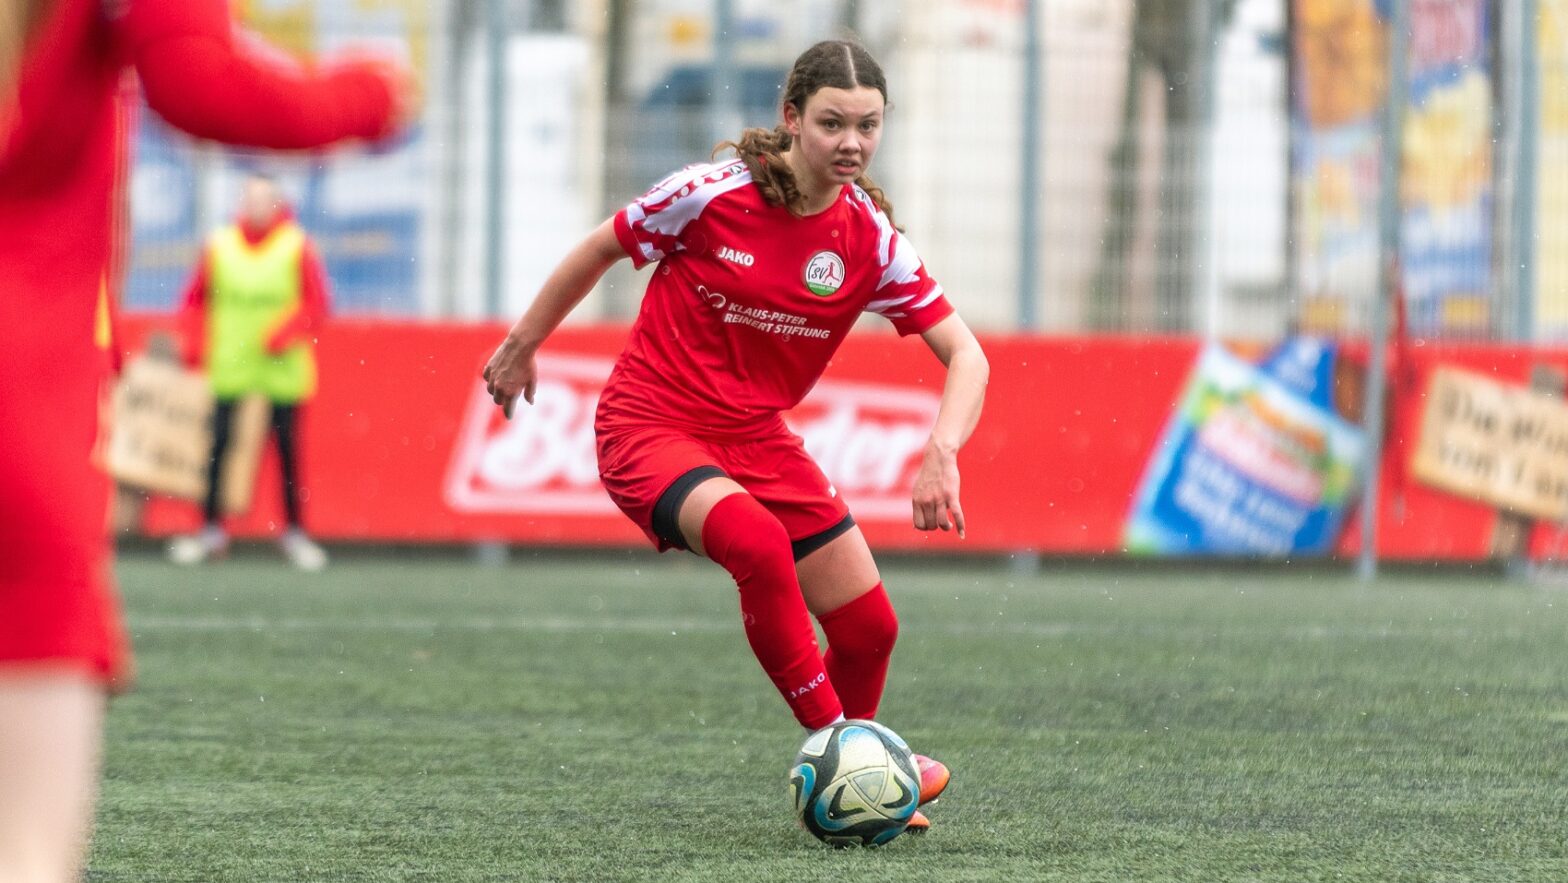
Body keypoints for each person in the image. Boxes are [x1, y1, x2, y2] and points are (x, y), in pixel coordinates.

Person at [482, 39, 989, 832]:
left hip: (755, 437)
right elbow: (601, 247)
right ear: (791, 118)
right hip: (649, 426)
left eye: (868, 125)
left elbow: (968, 354)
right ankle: (849, 753)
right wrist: (522, 345)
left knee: (869, 627)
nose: (851, 142)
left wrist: (942, 451)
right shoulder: (711, 195)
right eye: (831, 123)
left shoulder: (873, 243)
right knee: (755, 541)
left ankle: (858, 787)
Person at [0, 1, 410, 879]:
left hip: (267, 377)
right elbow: (203, 81)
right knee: (27, 851)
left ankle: (277, 531)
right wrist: (372, 93)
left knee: (278, 461)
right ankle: (226, 530)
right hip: (25, 404)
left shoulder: (283, 247)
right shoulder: (224, 246)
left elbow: (312, 305)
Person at [167, 173, 332, 572]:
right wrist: (192, 347)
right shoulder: (219, 246)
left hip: (281, 368)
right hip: (231, 364)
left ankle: (294, 533)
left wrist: (285, 333)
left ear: (277, 205)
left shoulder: (296, 246)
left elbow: (318, 305)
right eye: (251, 199)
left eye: (265, 200)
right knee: (217, 446)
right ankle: (209, 530)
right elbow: (193, 301)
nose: (257, 207)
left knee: (288, 451)